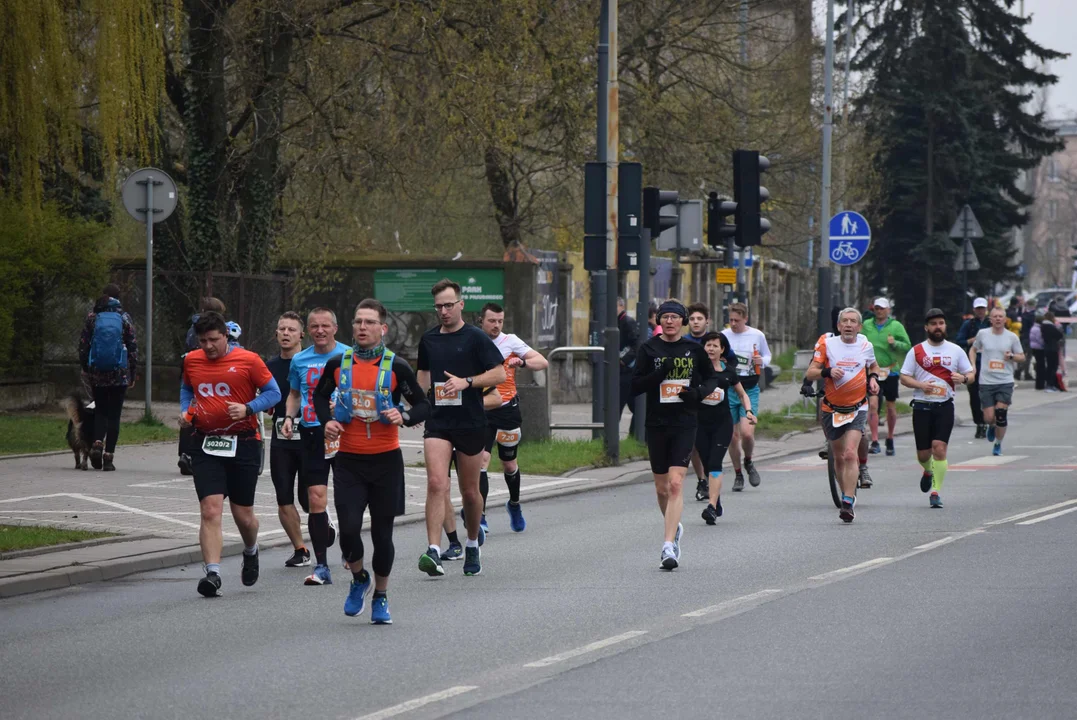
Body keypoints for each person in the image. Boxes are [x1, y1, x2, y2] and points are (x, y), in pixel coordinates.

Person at [314, 299, 429, 623]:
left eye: (369, 322)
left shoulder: (397, 367)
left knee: (382, 535)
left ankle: (380, 595)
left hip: (385, 463)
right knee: (348, 530)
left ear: (383, 329)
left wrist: (403, 414)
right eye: (358, 322)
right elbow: (321, 396)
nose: (362, 327)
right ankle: (359, 578)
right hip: (349, 461)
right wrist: (327, 421)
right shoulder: (338, 364)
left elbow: (423, 405)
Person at [180, 312, 281, 596]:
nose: (208, 346)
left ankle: (251, 549)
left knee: (243, 515)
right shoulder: (191, 360)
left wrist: (248, 408)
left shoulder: (248, 360)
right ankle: (212, 574)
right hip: (206, 443)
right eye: (203, 341)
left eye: (213, 340)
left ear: (226, 336)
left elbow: (274, 393)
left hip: (243, 442)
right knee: (210, 509)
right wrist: (187, 412)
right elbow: (187, 390)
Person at [439, 303, 549, 557]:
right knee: (482, 461)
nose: (496, 325)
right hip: (482, 409)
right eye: (492, 321)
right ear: (481, 321)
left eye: (500, 321)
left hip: (508, 409)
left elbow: (541, 361)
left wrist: (520, 362)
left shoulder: (510, 341)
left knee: (509, 464)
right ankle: (483, 517)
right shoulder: (473, 341)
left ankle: (514, 504)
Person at [416, 279, 506, 578]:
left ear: (461, 305)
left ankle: (471, 543)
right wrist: (419, 404)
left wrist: (466, 382)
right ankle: (433, 550)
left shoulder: (476, 338)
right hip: (439, 422)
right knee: (436, 484)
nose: (443, 311)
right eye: (439, 306)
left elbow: (499, 373)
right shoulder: (428, 339)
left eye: (448, 305)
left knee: (469, 492)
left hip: (470, 421)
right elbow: (424, 374)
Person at [632, 300, 718, 570]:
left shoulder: (694, 349)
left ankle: (668, 545)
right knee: (661, 488)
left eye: (674, 317)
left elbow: (711, 379)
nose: (669, 321)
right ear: (659, 321)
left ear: (682, 321)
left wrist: (698, 393)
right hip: (657, 423)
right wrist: (660, 373)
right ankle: (674, 525)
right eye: (665, 317)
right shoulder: (649, 349)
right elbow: (634, 385)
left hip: (685, 421)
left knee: (676, 483)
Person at [280, 308, 347, 586]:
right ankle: (321, 566)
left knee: (347, 499)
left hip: (345, 434)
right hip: (310, 434)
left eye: (325, 326)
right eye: (315, 326)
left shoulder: (349, 355)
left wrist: (343, 404)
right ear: (308, 331)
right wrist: (288, 417)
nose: (320, 330)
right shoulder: (300, 359)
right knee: (316, 499)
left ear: (335, 328)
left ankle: (351, 547)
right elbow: (294, 395)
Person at [805, 309, 881, 523]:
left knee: (849, 454)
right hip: (831, 408)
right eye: (844, 321)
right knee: (838, 456)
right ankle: (846, 491)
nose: (848, 325)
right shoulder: (827, 344)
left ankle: (847, 501)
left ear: (859, 327)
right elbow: (811, 372)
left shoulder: (866, 345)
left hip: (857, 407)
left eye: (853, 322)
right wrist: (827, 373)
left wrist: (873, 378)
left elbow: (873, 365)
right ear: (838, 326)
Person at [900, 308, 974, 509]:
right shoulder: (916, 351)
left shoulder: (956, 350)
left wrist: (964, 378)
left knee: (939, 448)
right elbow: (904, 377)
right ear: (927, 328)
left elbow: (971, 374)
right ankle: (928, 470)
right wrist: (920, 385)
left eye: (941, 323)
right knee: (924, 455)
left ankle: (935, 492)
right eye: (933, 324)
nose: (938, 327)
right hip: (922, 406)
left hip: (944, 406)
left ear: (945, 326)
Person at [265, 311, 310, 567]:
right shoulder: (269, 367)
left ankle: (323, 522)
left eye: (291, 330)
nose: (285, 333)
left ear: (301, 334)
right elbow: (265, 396)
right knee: (283, 495)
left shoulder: (311, 362)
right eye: (282, 329)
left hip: (308, 437)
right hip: (281, 439)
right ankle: (300, 548)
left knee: (308, 498)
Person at [696, 332, 755, 524]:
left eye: (715, 345)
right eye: (707, 345)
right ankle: (717, 502)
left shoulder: (728, 371)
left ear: (722, 350)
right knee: (706, 465)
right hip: (700, 425)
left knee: (714, 463)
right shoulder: (696, 370)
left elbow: (742, 394)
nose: (711, 349)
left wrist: (748, 411)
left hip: (722, 424)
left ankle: (711, 507)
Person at [78, 283, 138, 472]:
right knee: (114, 414)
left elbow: (83, 345)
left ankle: (96, 443)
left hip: (98, 372)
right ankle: (109, 457)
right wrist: (132, 373)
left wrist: (86, 367)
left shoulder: (92, 317)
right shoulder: (124, 317)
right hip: (119, 373)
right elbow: (133, 347)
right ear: (119, 298)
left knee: (101, 411)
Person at [721, 302, 771, 491]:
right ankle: (738, 474)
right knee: (732, 437)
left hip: (749, 388)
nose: (733, 324)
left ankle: (748, 461)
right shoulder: (724, 336)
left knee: (747, 434)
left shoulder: (757, 335)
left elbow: (767, 356)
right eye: (730, 320)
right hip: (729, 390)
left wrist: (762, 361)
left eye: (737, 320)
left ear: (745, 319)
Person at [180, 297, 227, 475]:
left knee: (190, 413)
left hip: (191, 371)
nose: (208, 344)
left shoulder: (192, 327)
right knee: (197, 412)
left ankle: (185, 453)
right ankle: (195, 453)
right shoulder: (220, 328)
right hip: (202, 372)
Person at [969, 307, 1025, 456]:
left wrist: (1012, 356)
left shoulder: (1012, 337)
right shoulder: (983, 334)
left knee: (1001, 413)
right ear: (991, 319)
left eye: (1001, 316)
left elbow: (1022, 357)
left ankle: (998, 444)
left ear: (1005, 319)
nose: (998, 319)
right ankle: (991, 426)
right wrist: (973, 366)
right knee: (988, 417)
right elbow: (973, 350)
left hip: (1005, 381)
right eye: (995, 316)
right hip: (986, 381)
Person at [861, 298, 910, 456]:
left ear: (888, 310)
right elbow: (858, 341)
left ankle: (890, 437)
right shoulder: (867, 325)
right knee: (873, 404)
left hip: (890, 371)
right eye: (876, 308)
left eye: (882, 308)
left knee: (890, 406)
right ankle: (875, 441)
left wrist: (895, 343)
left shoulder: (896, 326)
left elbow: (907, 346)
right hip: (872, 371)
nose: (879, 311)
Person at [956, 297, 991, 438]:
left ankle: (989, 420)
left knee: (988, 395)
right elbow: (959, 340)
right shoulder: (968, 324)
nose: (980, 311)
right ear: (974, 310)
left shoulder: (991, 323)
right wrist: (971, 340)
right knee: (975, 396)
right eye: (978, 309)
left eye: (983, 308)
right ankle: (979, 423)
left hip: (990, 365)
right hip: (973, 365)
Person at [617, 297, 641, 437]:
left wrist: (624, 360)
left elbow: (636, 344)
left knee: (631, 405)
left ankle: (635, 435)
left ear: (621, 306)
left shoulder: (628, 322)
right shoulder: (616, 321)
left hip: (627, 371)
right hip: (620, 371)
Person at [1041, 312, 1065, 392]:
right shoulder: (1051, 326)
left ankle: (1048, 384)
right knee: (1053, 367)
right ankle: (1050, 385)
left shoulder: (1043, 326)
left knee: (1049, 367)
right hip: (1053, 348)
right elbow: (1059, 335)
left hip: (1047, 348)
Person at [1030, 315, 1046, 390]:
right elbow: (1040, 339)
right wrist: (1044, 345)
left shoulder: (1033, 328)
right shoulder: (1038, 329)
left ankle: (1038, 384)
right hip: (1039, 348)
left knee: (1038, 366)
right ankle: (1040, 385)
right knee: (1041, 367)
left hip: (1034, 347)